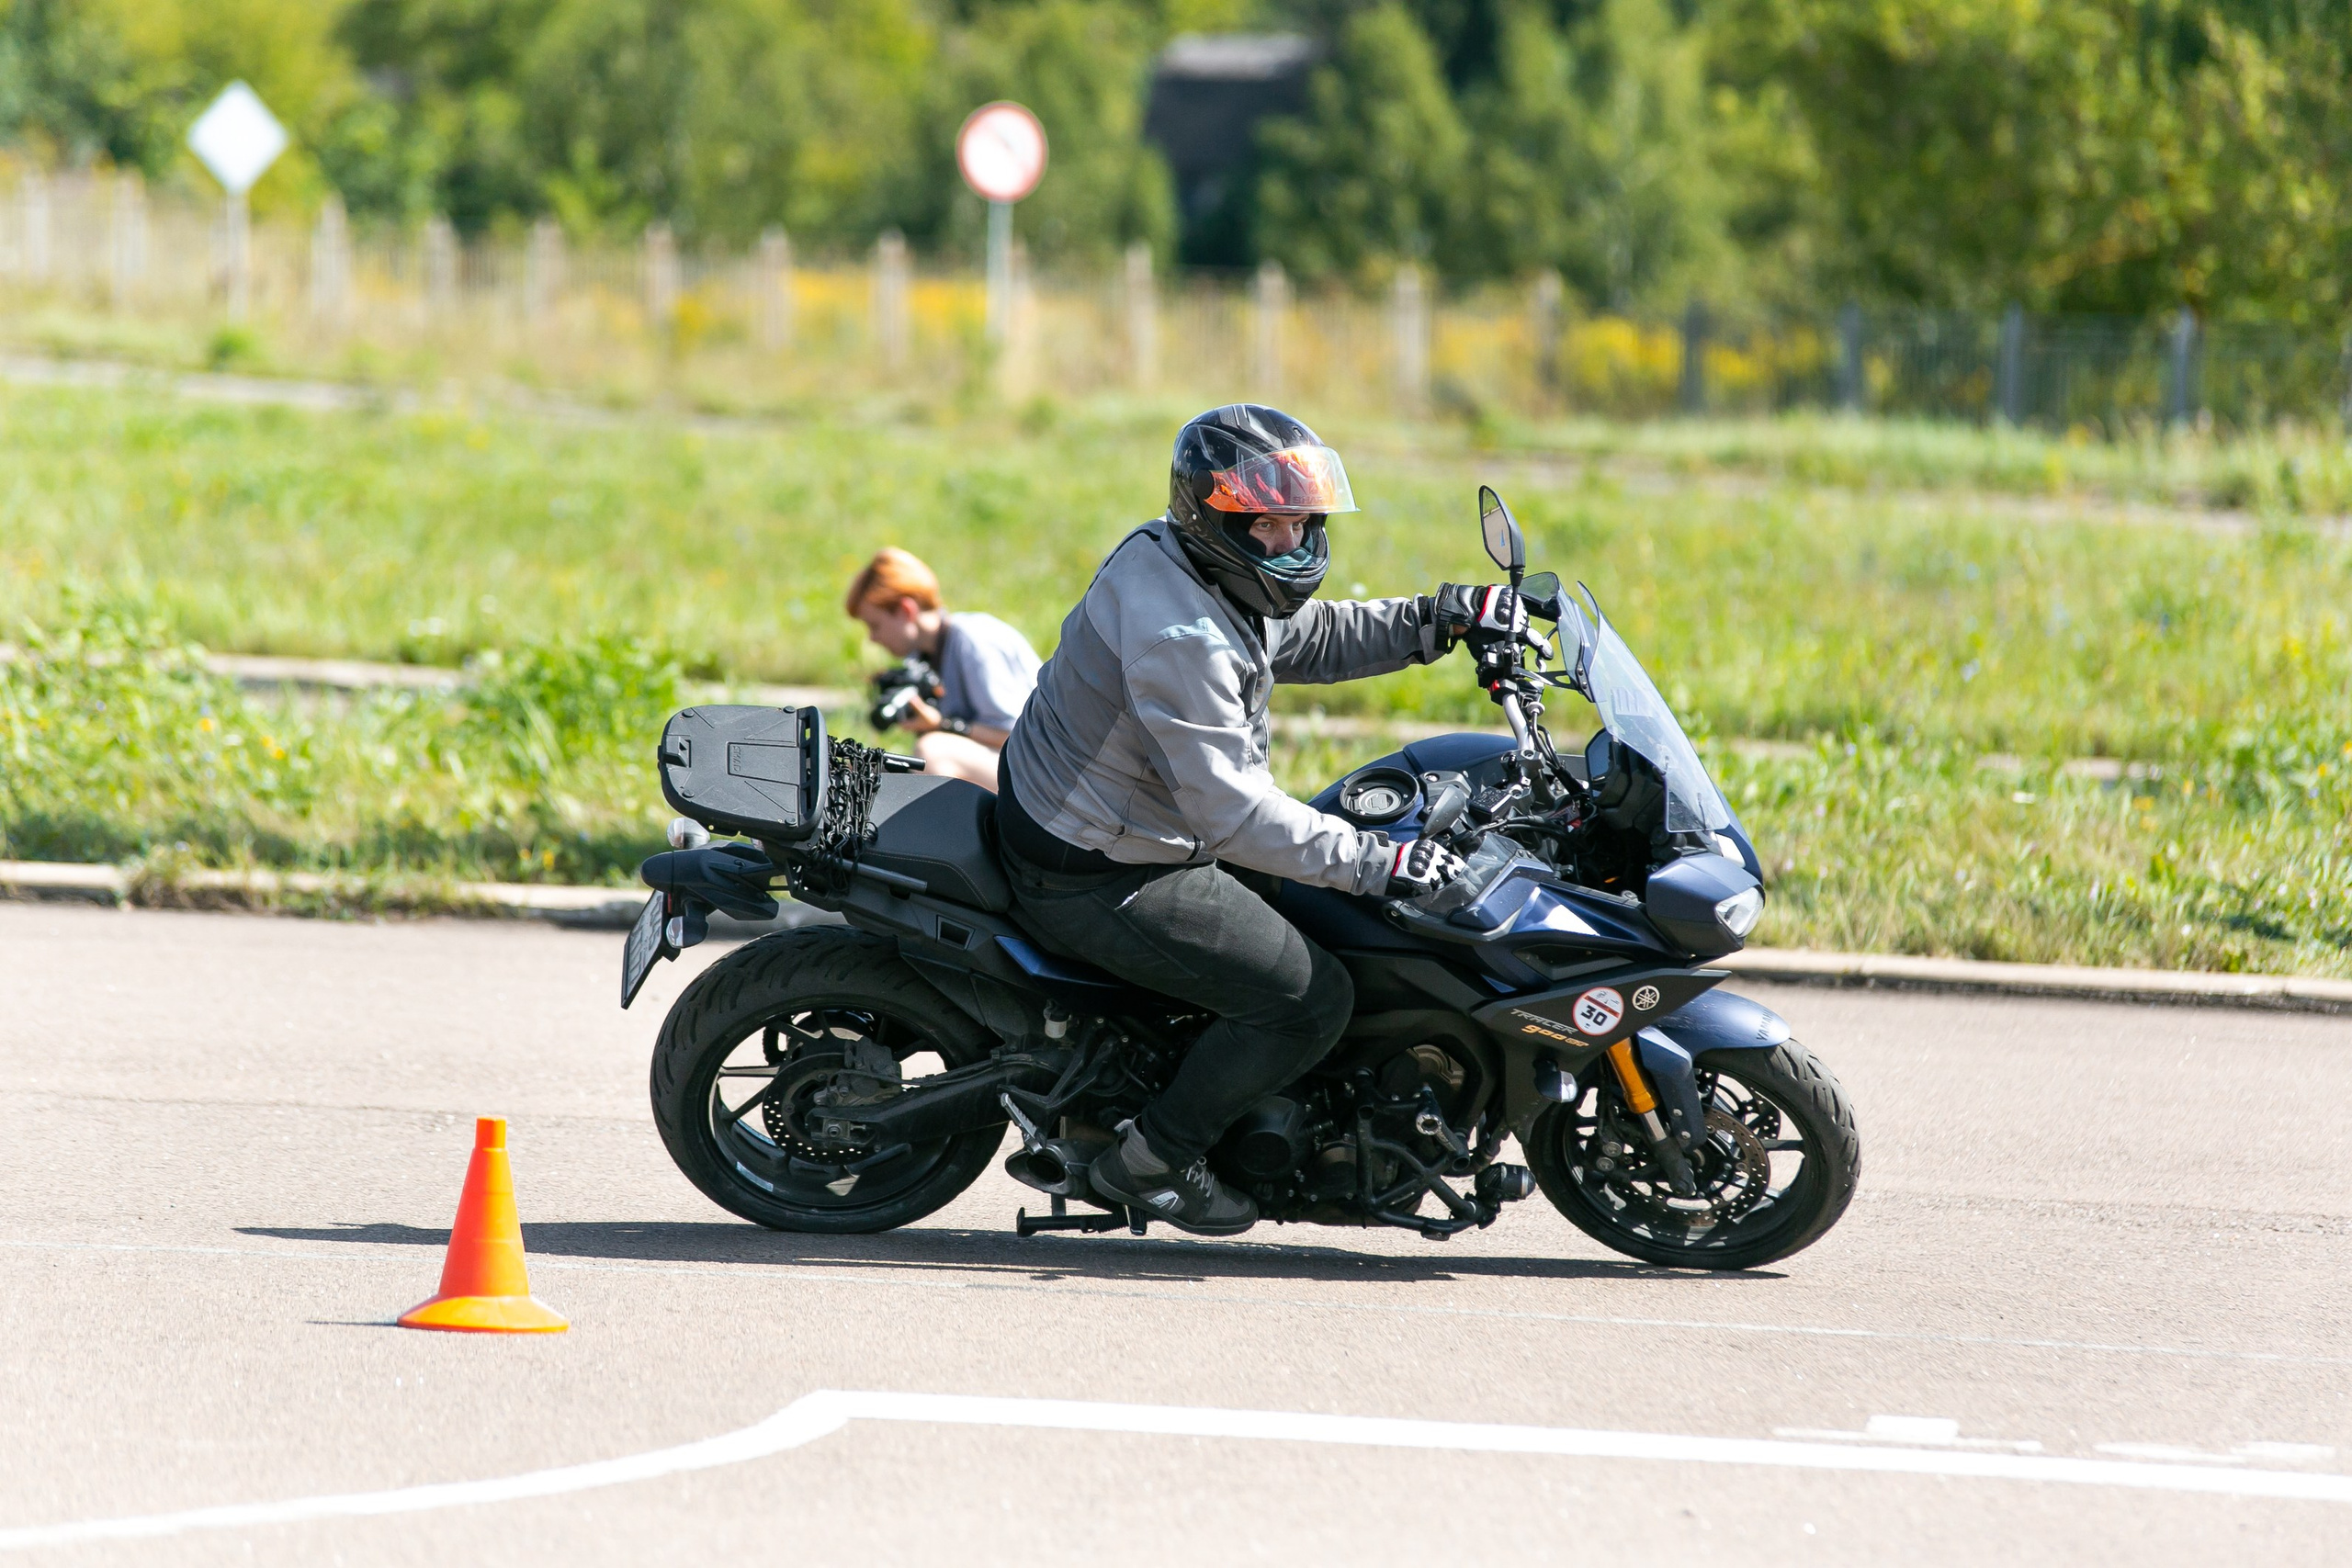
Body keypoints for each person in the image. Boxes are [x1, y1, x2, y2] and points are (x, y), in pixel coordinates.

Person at [996, 403, 1527, 1235]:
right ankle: (1152, 1161)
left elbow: (1301, 636)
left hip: (1127, 817)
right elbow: (1236, 813)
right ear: (1212, 518)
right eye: (1267, 524)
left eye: (1299, 520)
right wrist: (1377, 861)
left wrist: (1439, 619)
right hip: (1100, 862)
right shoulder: (1181, 636)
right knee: (1308, 998)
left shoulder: (1194, 566)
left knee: (1330, 903)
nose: (1289, 541)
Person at [845, 547, 1041, 791]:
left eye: (875, 625)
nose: (873, 638)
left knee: (934, 751)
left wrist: (941, 725)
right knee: (866, 771)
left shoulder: (975, 640)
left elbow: (1020, 737)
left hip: (1042, 777)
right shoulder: (922, 656)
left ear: (906, 610)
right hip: (1007, 771)